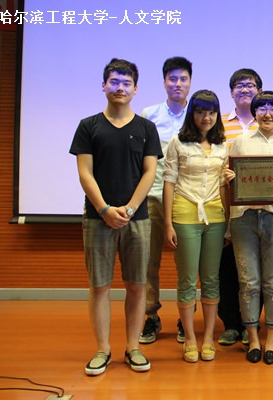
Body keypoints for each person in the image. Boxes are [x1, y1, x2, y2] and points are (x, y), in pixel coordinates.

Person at [70, 58, 163, 375]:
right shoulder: (88, 126)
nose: (120, 88)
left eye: (126, 83)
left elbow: (150, 172)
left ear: (136, 89)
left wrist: (131, 208)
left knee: (137, 286)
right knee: (99, 287)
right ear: (103, 85)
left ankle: (133, 348)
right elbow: (85, 173)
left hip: (138, 219)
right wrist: (105, 209)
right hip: (98, 219)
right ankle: (102, 350)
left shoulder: (146, 128)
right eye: (114, 81)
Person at [224, 91, 273, 365]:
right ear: (254, 112)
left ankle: (271, 340)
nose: (267, 113)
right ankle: (253, 338)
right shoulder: (240, 142)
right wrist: (230, 177)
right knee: (248, 281)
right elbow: (230, 177)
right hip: (243, 218)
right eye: (262, 108)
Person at [163, 90, 228, 362]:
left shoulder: (223, 145)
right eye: (201, 112)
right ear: (192, 114)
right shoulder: (178, 142)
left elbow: (223, 185)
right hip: (184, 213)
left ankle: (208, 337)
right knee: (187, 280)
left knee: (212, 280)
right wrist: (167, 223)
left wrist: (227, 224)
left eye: (211, 112)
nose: (206, 118)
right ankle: (190, 338)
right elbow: (169, 182)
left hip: (215, 215)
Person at [139, 56, 192, 345]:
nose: (178, 84)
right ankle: (150, 316)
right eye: (173, 78)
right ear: (164, 82)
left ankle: (186, 318)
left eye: (183, 79)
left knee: (188, 263)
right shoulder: (149, 115)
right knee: (149, 262)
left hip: (186, 198)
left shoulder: (197, 115)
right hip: (154, 196)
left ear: (190, 82)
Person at [218, 68, 265, 347]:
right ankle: (230, 325)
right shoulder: (220, 125)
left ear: (259, 90)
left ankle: (252, 323)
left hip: (260, 211)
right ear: (231, 92)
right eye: (239, 85)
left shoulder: (271, 123)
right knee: (227, 268)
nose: (244, 89)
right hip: (226, 207)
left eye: (250, 85)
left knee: (256, 270)